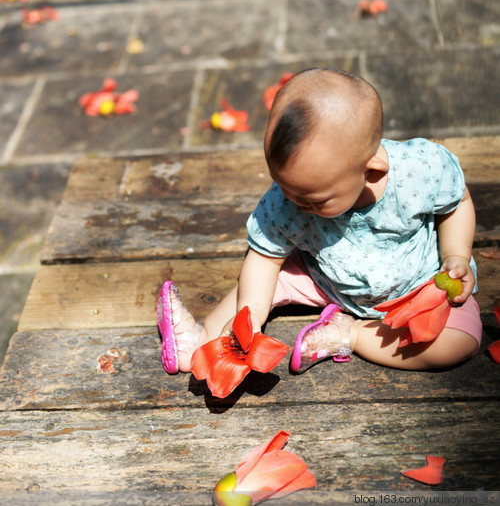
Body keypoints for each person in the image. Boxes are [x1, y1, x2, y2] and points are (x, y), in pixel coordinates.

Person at [157, 68, 481, 376]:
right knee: (263, 281)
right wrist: (250, 316)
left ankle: (349, 334)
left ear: (372, 171)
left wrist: (456, 256)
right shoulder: (288, 199)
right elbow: (263, 259)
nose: (296, 204)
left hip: (419, 284)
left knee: (459, 341)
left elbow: (458, 201)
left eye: (315, 200)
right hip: (326, 277)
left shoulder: (419, 171)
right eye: (285, 189)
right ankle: (199, 342)